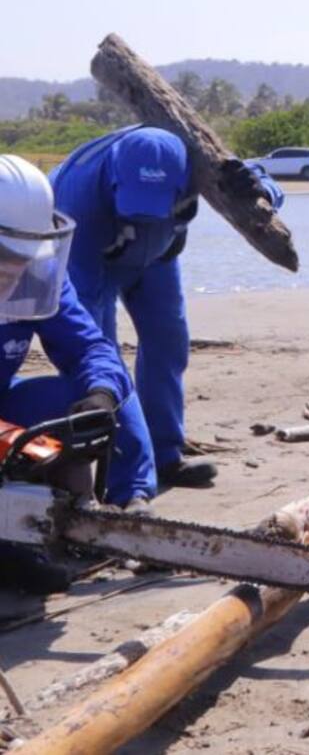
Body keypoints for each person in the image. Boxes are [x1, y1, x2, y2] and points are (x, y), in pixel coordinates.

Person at [51, 126, 283, 498]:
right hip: (94, 261)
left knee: (169, 344)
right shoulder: (76, 196)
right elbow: (87, 340)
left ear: (182, 180)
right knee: (105, 362)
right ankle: (122, 471)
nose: (143, 214)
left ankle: (165, 455)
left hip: (160, 258)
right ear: (114, 178)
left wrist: (258, 190)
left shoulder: (197, 163)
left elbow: (265, 185)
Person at [0, 154, 142, 594]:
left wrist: (99, 393)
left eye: (18, 260)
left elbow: (89, 347)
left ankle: (112, 501)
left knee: (86, 400)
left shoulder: (38, 276)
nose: (12, 273)